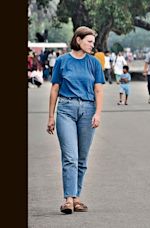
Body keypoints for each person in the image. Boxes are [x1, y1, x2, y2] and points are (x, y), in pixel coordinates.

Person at [46, 26, 105, 214]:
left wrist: (98, 113)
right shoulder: (62, 61)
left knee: (82, 158)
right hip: (66, 109)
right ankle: (68, 199)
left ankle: (77, 197)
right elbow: (55, 89)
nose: (92, 46)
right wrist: (50, 117)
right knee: (70, 156)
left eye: (93, 43)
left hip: (88, 110)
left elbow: (98, 89)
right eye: (89, 42)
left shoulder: (94, 63)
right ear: (78, 40)